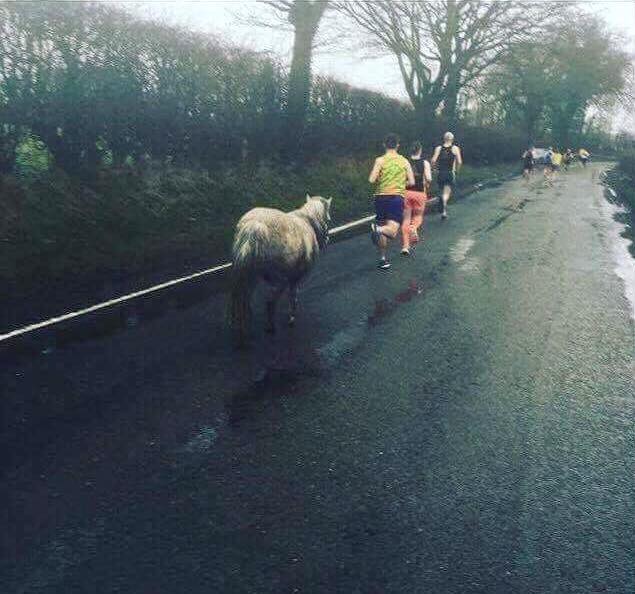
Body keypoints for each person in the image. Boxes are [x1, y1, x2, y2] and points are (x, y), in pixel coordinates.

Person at [369, 133, 415, 270]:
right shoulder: (404, 161)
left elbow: (371, 179)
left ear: (384, 145)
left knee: (383, 229)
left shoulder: (380, 160)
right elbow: (412, 181)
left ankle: (383, 259)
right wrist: (400, 181)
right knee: (392, 231)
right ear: (398, 145)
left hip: (380, 198)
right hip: (396, 198)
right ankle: (376, 229)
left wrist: (381, 180)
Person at [401, 141, 432, 255]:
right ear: (420, 150)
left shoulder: (404, 162)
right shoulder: (425, 163)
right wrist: (427, 184)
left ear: (410, 150)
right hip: (419, 193)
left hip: (406, 192)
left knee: (406, 219)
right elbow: (428, 178)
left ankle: (405, 247)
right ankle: (413, 228)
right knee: (418, 217)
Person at [431, 132, 462, 220]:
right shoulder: (455, 148)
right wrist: (457, 171)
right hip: (449, 172)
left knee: (441, 191)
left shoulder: (439, 148)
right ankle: (443, 202)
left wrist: (433, 169)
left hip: (441, 173)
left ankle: (443, 212)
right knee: (446, 193)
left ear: (444, 139)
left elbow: (433, 160)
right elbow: (459, 162)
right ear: (452, 139)